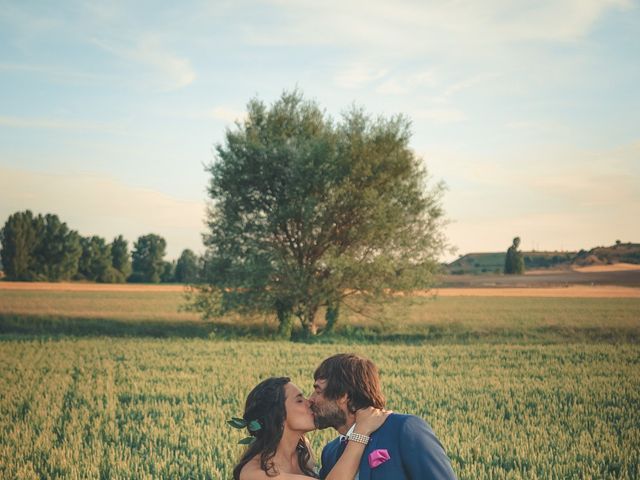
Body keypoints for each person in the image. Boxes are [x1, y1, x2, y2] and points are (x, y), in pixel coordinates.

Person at [309, 353, 457, 479]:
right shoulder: (330, 452)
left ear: (343, 395)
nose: (311, 399)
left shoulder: (404, 429)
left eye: (318, 391)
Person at [232, 376, 391, 480]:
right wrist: (362, 430)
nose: (310, 402)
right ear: (278, 415)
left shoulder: (303, 452)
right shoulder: (253, 474)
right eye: (299, 400)